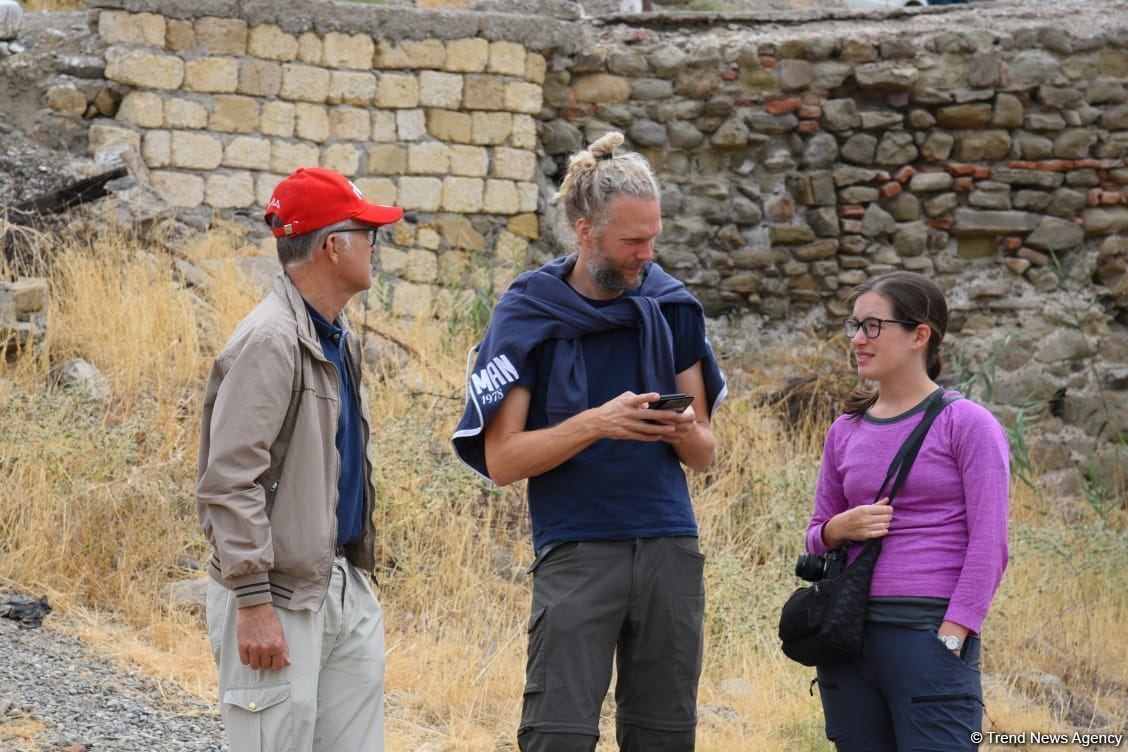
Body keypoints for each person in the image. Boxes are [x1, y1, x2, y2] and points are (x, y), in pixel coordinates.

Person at [452, 131, 726, 752]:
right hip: (577, 548)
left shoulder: (673, 307)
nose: (647, 255)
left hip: (668, 546)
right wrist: (596, 424)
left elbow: (705, 454)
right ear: (584, 230)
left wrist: (683, 429)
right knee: (558, 736)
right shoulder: (529, 315)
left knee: (664, 737)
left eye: (654, 238)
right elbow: (501, 460)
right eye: (633, 241)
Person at [196, 166, 403, 751]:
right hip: (278, 597)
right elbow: (230, 482)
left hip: (339, 582)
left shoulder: (338, 337)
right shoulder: (270, 340)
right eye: (370, 234)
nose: (375, 248)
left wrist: (353, 580)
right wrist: (255, 604)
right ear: (334, 246)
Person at [804, 271, 1010, 751]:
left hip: (926, 633)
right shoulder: (845, 429)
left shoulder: (968, 424)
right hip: (846, 637)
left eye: (872, 326)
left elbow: (991, 543)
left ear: (920, 335)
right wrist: (840, 527)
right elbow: (816, 533)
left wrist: (955, 632)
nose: (857, 339)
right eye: (853, 326)